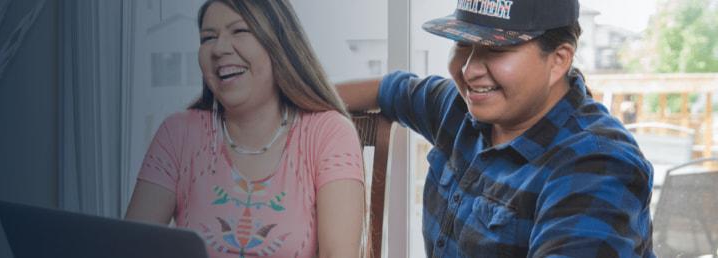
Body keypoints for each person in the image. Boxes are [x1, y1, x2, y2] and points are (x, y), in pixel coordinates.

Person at [338, 0, 655, 257]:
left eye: (496, 50)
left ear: (558, 60)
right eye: (463, 44)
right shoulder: (460, 108)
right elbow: (391, 90)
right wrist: (290, 101)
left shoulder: (598, 166)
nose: (468, 69)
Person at [126, 1, 365, 257]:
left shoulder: (329, 133)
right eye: (208, 37)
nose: (218, 49)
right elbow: (128, 249)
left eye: (239, 31)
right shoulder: (177, 134)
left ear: (280, 45)